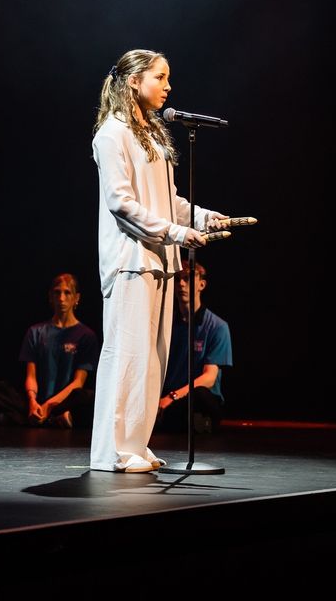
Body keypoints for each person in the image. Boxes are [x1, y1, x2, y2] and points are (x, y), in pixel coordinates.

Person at [89, 49, 229, 472]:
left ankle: (136, 443)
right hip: (131, 260)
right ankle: (114, 451)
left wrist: (201, 217)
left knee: (153, 360)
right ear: (134, 80)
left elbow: (168, 200)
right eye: (160, 77)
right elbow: (121, 204)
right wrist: (177, 233)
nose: (168, 86)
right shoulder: (112, 134)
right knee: (127, 356)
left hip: (161, 260)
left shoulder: (151, 135)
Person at [0, 273, 99, 427]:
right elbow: (31, 376)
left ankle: (24, 418)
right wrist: (32, 401)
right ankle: (50, 418)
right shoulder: (36, 332)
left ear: (76, 298)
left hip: (65, 401)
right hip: (38, 400)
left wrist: (50, 405)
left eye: (67, 293)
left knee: (90, 397)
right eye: (57, 292)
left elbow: (78, 382)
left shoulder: (86, 336)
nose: (61, 298)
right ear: (50, 296)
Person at [157, 261, 233, 434]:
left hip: (195, 397)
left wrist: (172, 397)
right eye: (178, 279)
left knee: (200, 395)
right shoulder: (165, 324)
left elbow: (209, 378)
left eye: (188, 278)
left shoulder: (217, 327)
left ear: (201, 285)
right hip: (169, 394)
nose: (181, 284)